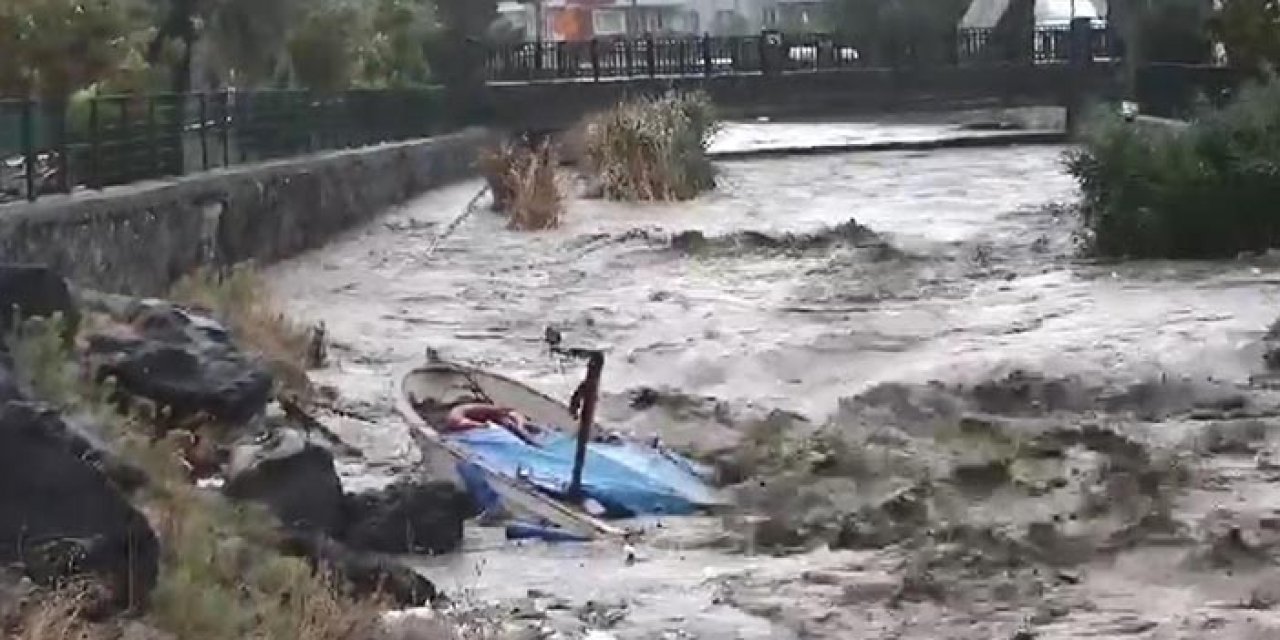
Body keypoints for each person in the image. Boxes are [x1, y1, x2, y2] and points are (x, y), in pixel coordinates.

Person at [446, 402, 544, 445]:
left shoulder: (494, 412)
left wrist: (520, 425)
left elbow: (512, 413)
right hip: (464, 421)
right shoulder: (456, 418)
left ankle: (528, 437)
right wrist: (481, 425)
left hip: (486, 416)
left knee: (511, 424)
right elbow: (462, 423)